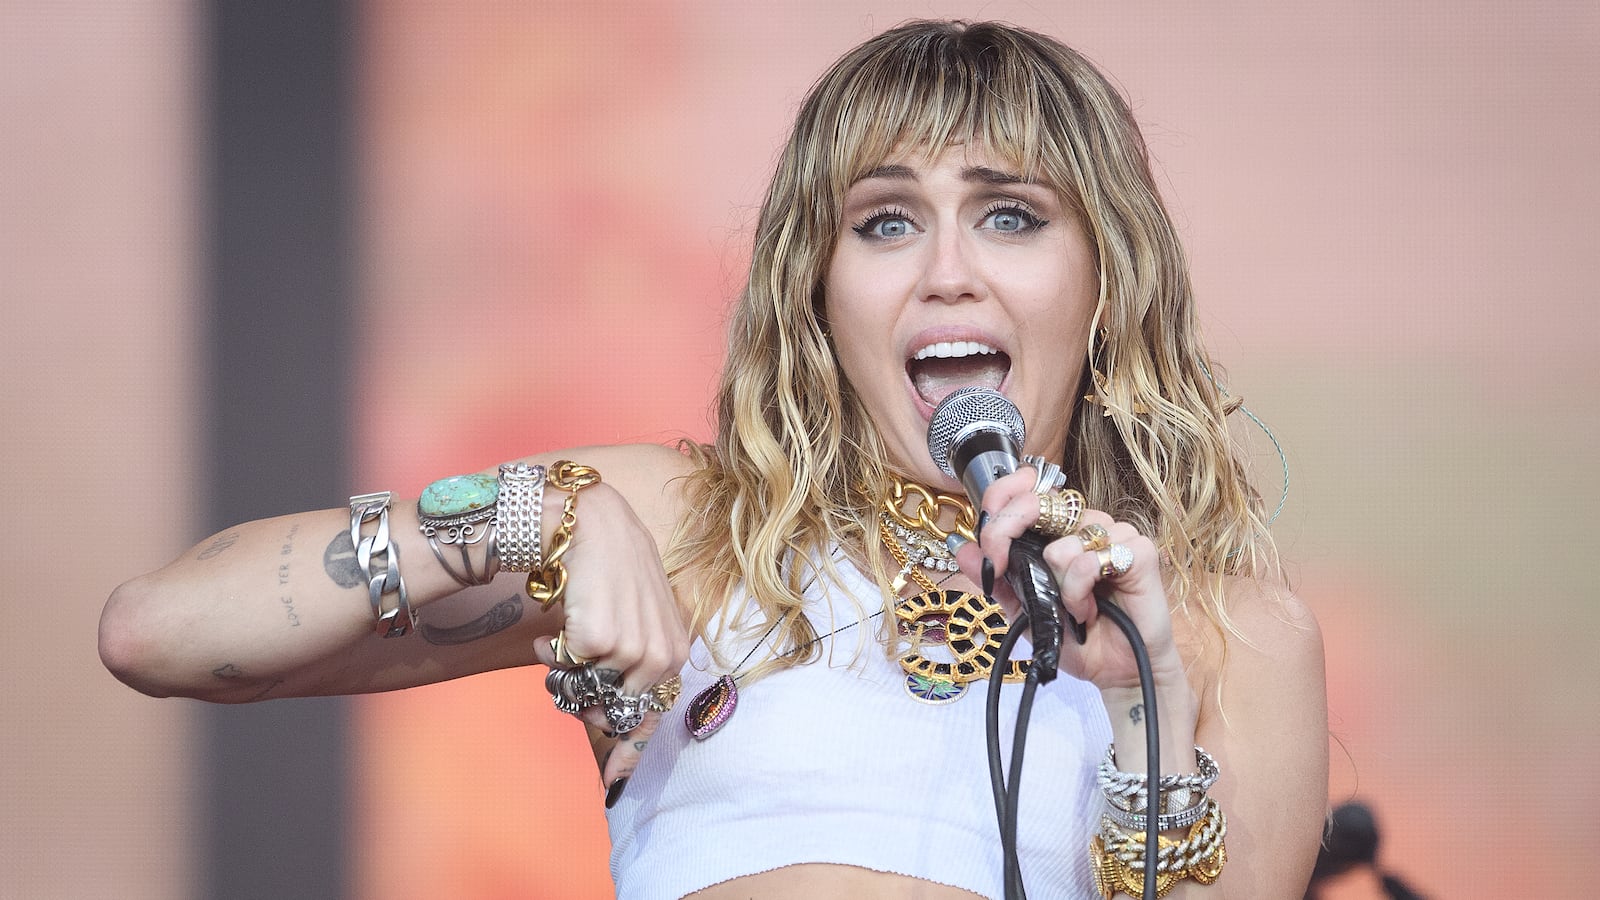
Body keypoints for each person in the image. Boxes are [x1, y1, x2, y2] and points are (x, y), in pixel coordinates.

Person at [100, 19, 1327, 899]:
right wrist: (547, 517)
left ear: (1107, 282)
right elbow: (161, 631)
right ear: (818, 291)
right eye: (885, 221)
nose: (946, 271)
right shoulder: (700, 526)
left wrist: (1141, 701)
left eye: (1010, 215)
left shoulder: (1225, 632)